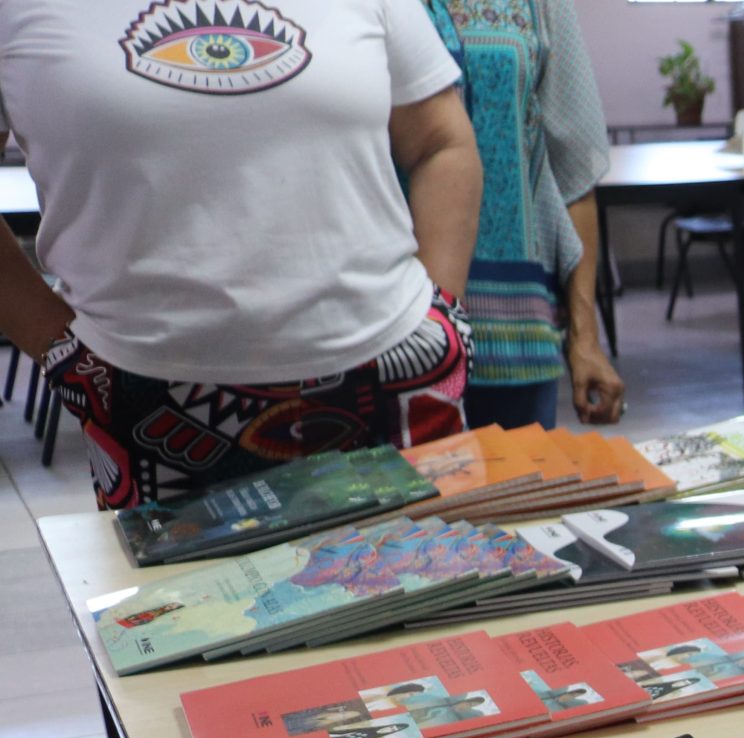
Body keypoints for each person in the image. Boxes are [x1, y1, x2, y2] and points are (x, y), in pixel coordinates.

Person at [0, 0, 484, 508]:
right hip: (149, 398)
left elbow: (440, 142)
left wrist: (441, 317)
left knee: (428, 556)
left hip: (395, 370)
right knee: (176, 566)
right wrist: (66, 354)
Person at [420, 0, 624, 429]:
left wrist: (585, 338)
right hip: (395, 333)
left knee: (519, 469)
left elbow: (574, 175)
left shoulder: (542, 6)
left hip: (514, 334)